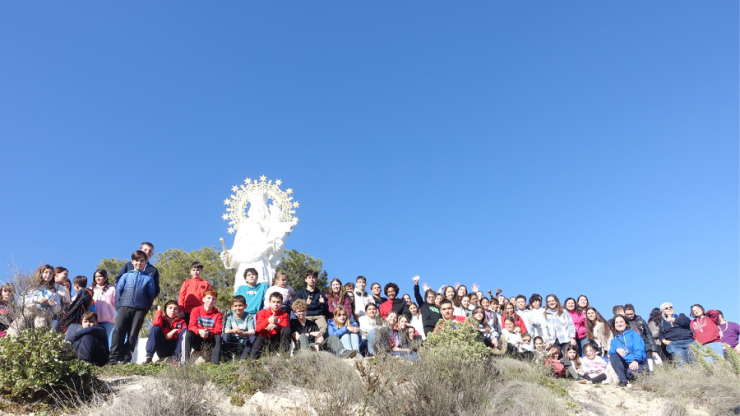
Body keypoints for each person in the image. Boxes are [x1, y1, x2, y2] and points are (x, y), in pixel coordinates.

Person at [109, 251, 156, 365]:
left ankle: (126, 357)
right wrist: (119, 307)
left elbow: (151, 295)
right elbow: (118, 292)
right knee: (118, 331)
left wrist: (145, 309)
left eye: (142, 261)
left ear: (145, 262)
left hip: (140, 309)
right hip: (124, 307)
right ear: (132, 262)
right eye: (137, 260)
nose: (139, 263)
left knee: (133, 334)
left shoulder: (148, 278)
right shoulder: (126, 275)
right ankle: (113, 358)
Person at [290, 299, 357, 358]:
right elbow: (297, 337)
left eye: (303, 310)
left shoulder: (312, 324)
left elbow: (320, 337)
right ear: (295, 312)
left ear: (306, 311)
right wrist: (311, 333)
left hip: (314, 346)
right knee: (303, 336)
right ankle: (307, 356)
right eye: (299, 311)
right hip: (303, 348)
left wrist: (317, 344)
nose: (301, 313)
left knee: (332, 338)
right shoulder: (293, 323)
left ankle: (343, 353)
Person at [182, 289, 223, 365]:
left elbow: (218, 329)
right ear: (203, 299)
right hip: (198, 340)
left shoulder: (218, 314)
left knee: (218, 337)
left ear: (215, 301)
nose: (210, 300)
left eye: (213, 299)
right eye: (208, 298)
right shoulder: (195, 310)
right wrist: (199, 331)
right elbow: (191, 326)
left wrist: (209, 333)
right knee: (188, 333)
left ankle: (215, 364)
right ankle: (185, 362)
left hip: (209, 341)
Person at [610, 314, 647, 388]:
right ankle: (623, 381)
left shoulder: (634, 334)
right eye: (616, 322)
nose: (619, 324)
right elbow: (610, 351)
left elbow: (639, 348)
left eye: (621, 322)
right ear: (614, 325)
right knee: (613, 355)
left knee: (634, 373)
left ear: (626, 323)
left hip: (636, 362)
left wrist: (636, 360)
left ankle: (629, 378)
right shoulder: (614, 340)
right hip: (624, 364)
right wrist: (616, 349)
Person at [252, 292, 292, 359]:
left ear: (282, 303)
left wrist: (276, 325)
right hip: (265, 338)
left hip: (277, 339)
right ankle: (253, 360)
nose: (276, 304)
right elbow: (258, 329)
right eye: (273, 302)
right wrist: (267, 321)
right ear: (269, 302)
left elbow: (286, 325)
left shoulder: (284, 315)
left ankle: (283, 355)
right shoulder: (262, 313)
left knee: (287, 329)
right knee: (260, 337)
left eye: (278, 302)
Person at [24, 264, 61, 329]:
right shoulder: (32, 287)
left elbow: (58, 309)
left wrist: (53, 304)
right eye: (46, 272)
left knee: (41, 323)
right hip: (30, 314)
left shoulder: (53, 291)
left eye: (51, 273)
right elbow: (21, 300)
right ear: (41, 273)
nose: (48, 274)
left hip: (45, 315)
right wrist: (37, 299)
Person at [624, 304, 659, 370]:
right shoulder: (625, 323)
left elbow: (649, 335)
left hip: (646, 345)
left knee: (651, 362)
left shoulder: (641, 321)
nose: (629, 316)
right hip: (635, 347)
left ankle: (652, 373)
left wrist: (653, 349)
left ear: (634, 311)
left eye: (631, 314)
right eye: (627, 314)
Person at [62, 275, 96, 342]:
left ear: (76, 285)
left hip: (77, 320)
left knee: (69, 341)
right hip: (82, 320)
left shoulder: (82, 291)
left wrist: (68, 309)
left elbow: (77, 302)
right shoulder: (89, 292)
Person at [294, 270, 329, 335]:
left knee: (323, 328)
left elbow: (325, 310)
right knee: (303, 330)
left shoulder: (321, 294)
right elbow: (295, 307)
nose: (311, 279)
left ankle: (318, 344)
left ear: (316, 280)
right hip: (305, 315)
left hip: (318, 316)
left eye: (313, 277)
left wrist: (323, 303)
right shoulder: (300, 293)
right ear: (306, 280)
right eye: (309, 277)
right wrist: (305, 304)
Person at [90, 269, 116, 342]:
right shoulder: (91, 289)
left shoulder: (111, 289)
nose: (98, 278)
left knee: (103, 340)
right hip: (93, 320)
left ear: (105, 277)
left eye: (100, 276)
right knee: (92, 340)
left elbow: (116, 303)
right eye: (96, 277)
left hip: (108, 320)